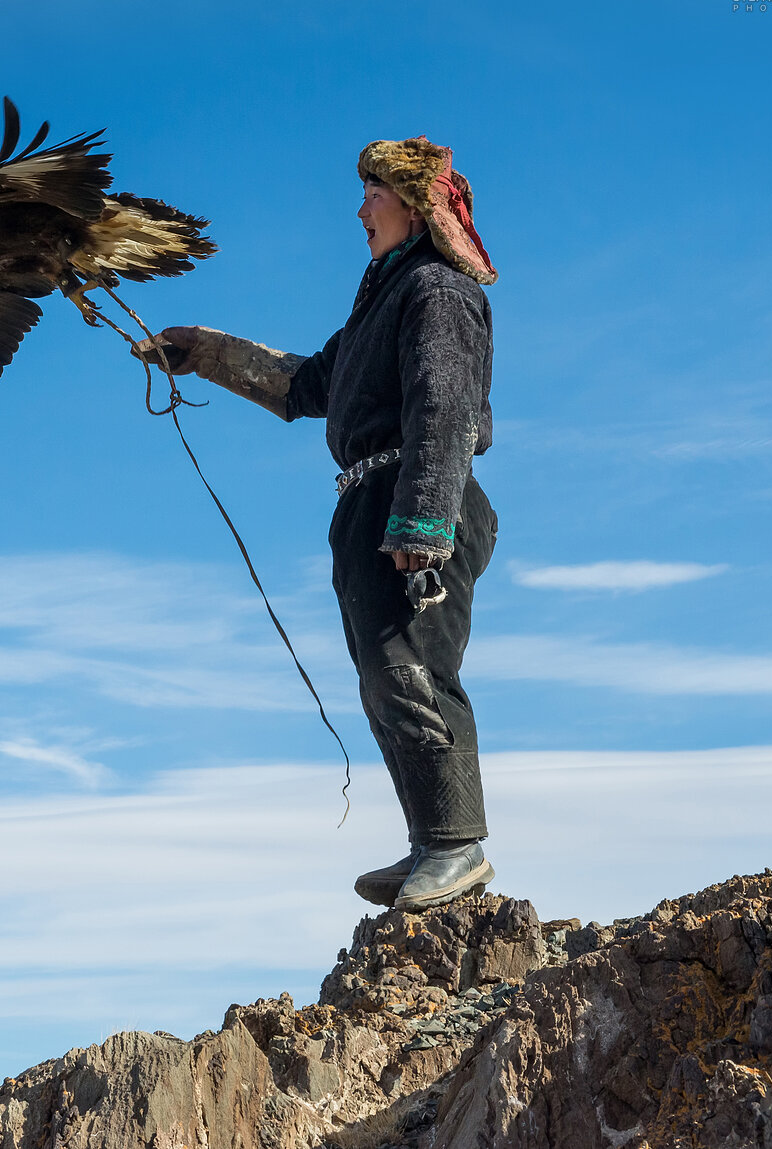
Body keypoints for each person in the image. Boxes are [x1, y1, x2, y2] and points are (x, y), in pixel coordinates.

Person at [134, 136, 499, 912]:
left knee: (412, 670)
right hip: (376, 506)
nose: (360, 209)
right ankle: (430, 842)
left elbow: (446, 408)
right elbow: (304, 384)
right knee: (381, 680)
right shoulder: (383, 302)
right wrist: (199, 350)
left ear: (413, 205)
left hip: (419, 501)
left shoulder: (438, 291)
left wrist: (424, 527)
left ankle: (456, 844)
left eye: (373, 194)